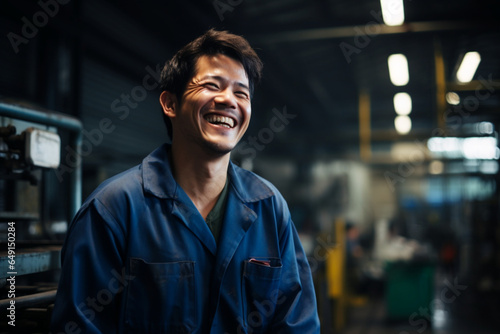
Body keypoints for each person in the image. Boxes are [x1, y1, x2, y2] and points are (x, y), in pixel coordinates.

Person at [50, 29, 320, 333]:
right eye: (211, 85)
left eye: (241, 92)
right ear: (170, 103)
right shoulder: (113, 210)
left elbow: (297, 323)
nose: (228, 100)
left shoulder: (269, 208)